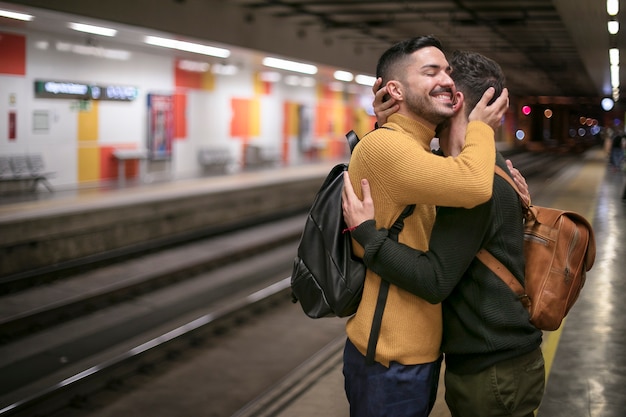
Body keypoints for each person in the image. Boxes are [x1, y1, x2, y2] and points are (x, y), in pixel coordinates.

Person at [342, 50, 544, 417]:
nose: (439, 87)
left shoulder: (474, 185)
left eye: (445, 82)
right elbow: (405, 162)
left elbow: (434, 280)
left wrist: (367, 234)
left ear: (456, 102)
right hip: (495, 360)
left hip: (493, 368)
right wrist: (389, 124)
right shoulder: (461, 172)